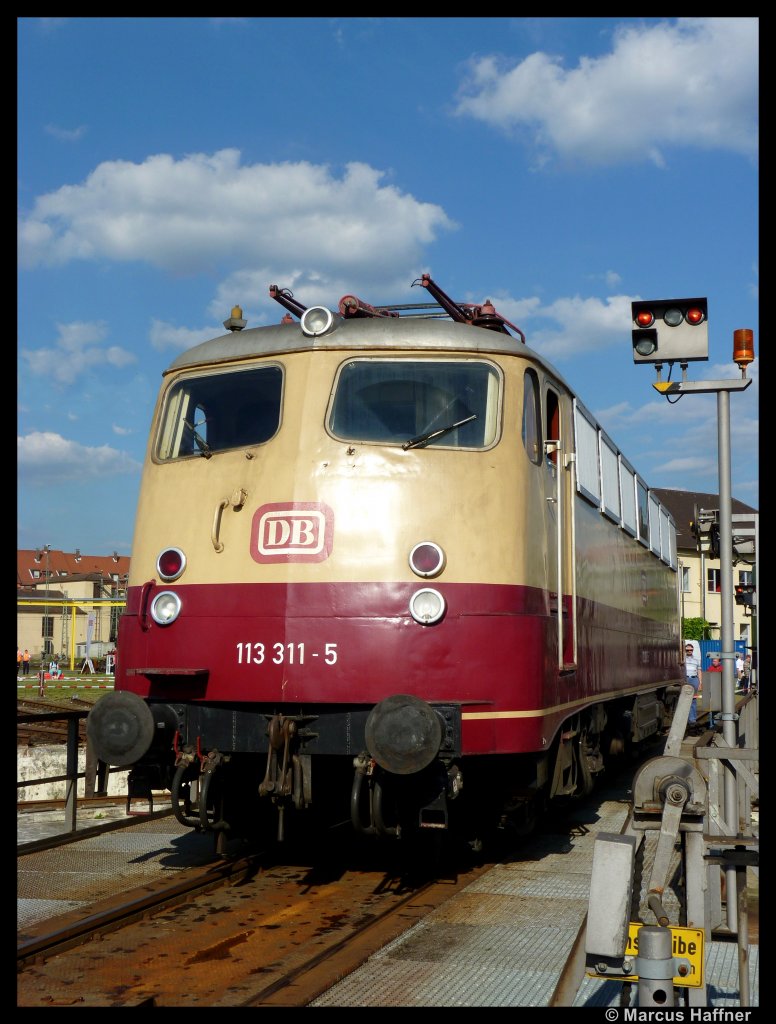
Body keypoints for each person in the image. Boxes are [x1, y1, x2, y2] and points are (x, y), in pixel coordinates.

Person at [684, 642, 702, 729]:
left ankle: (692, 719)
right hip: (686, 679)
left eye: (691, 650)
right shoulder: (683, 659)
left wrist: (700, 682)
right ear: (685, 650)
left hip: (694, 679)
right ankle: (685, 719)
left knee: (694, 700)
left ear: (693, 650)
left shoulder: (696, 660)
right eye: (687, 650)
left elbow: (699, 671)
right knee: (684, 700)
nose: (689, 651)